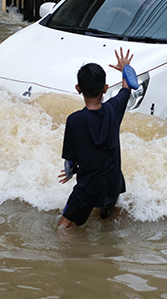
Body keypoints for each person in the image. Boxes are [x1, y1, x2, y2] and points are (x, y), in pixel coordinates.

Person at [57, 48, 135, 228]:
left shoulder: (74, 120)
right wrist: (125, 68)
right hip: (114, 181)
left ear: (78, 89)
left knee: (63, 226)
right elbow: (126, 88)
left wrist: (71, 172)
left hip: (89, 186)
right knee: (108, 219)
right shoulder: (114, 109)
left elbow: (71, 158)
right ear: (105, 89)